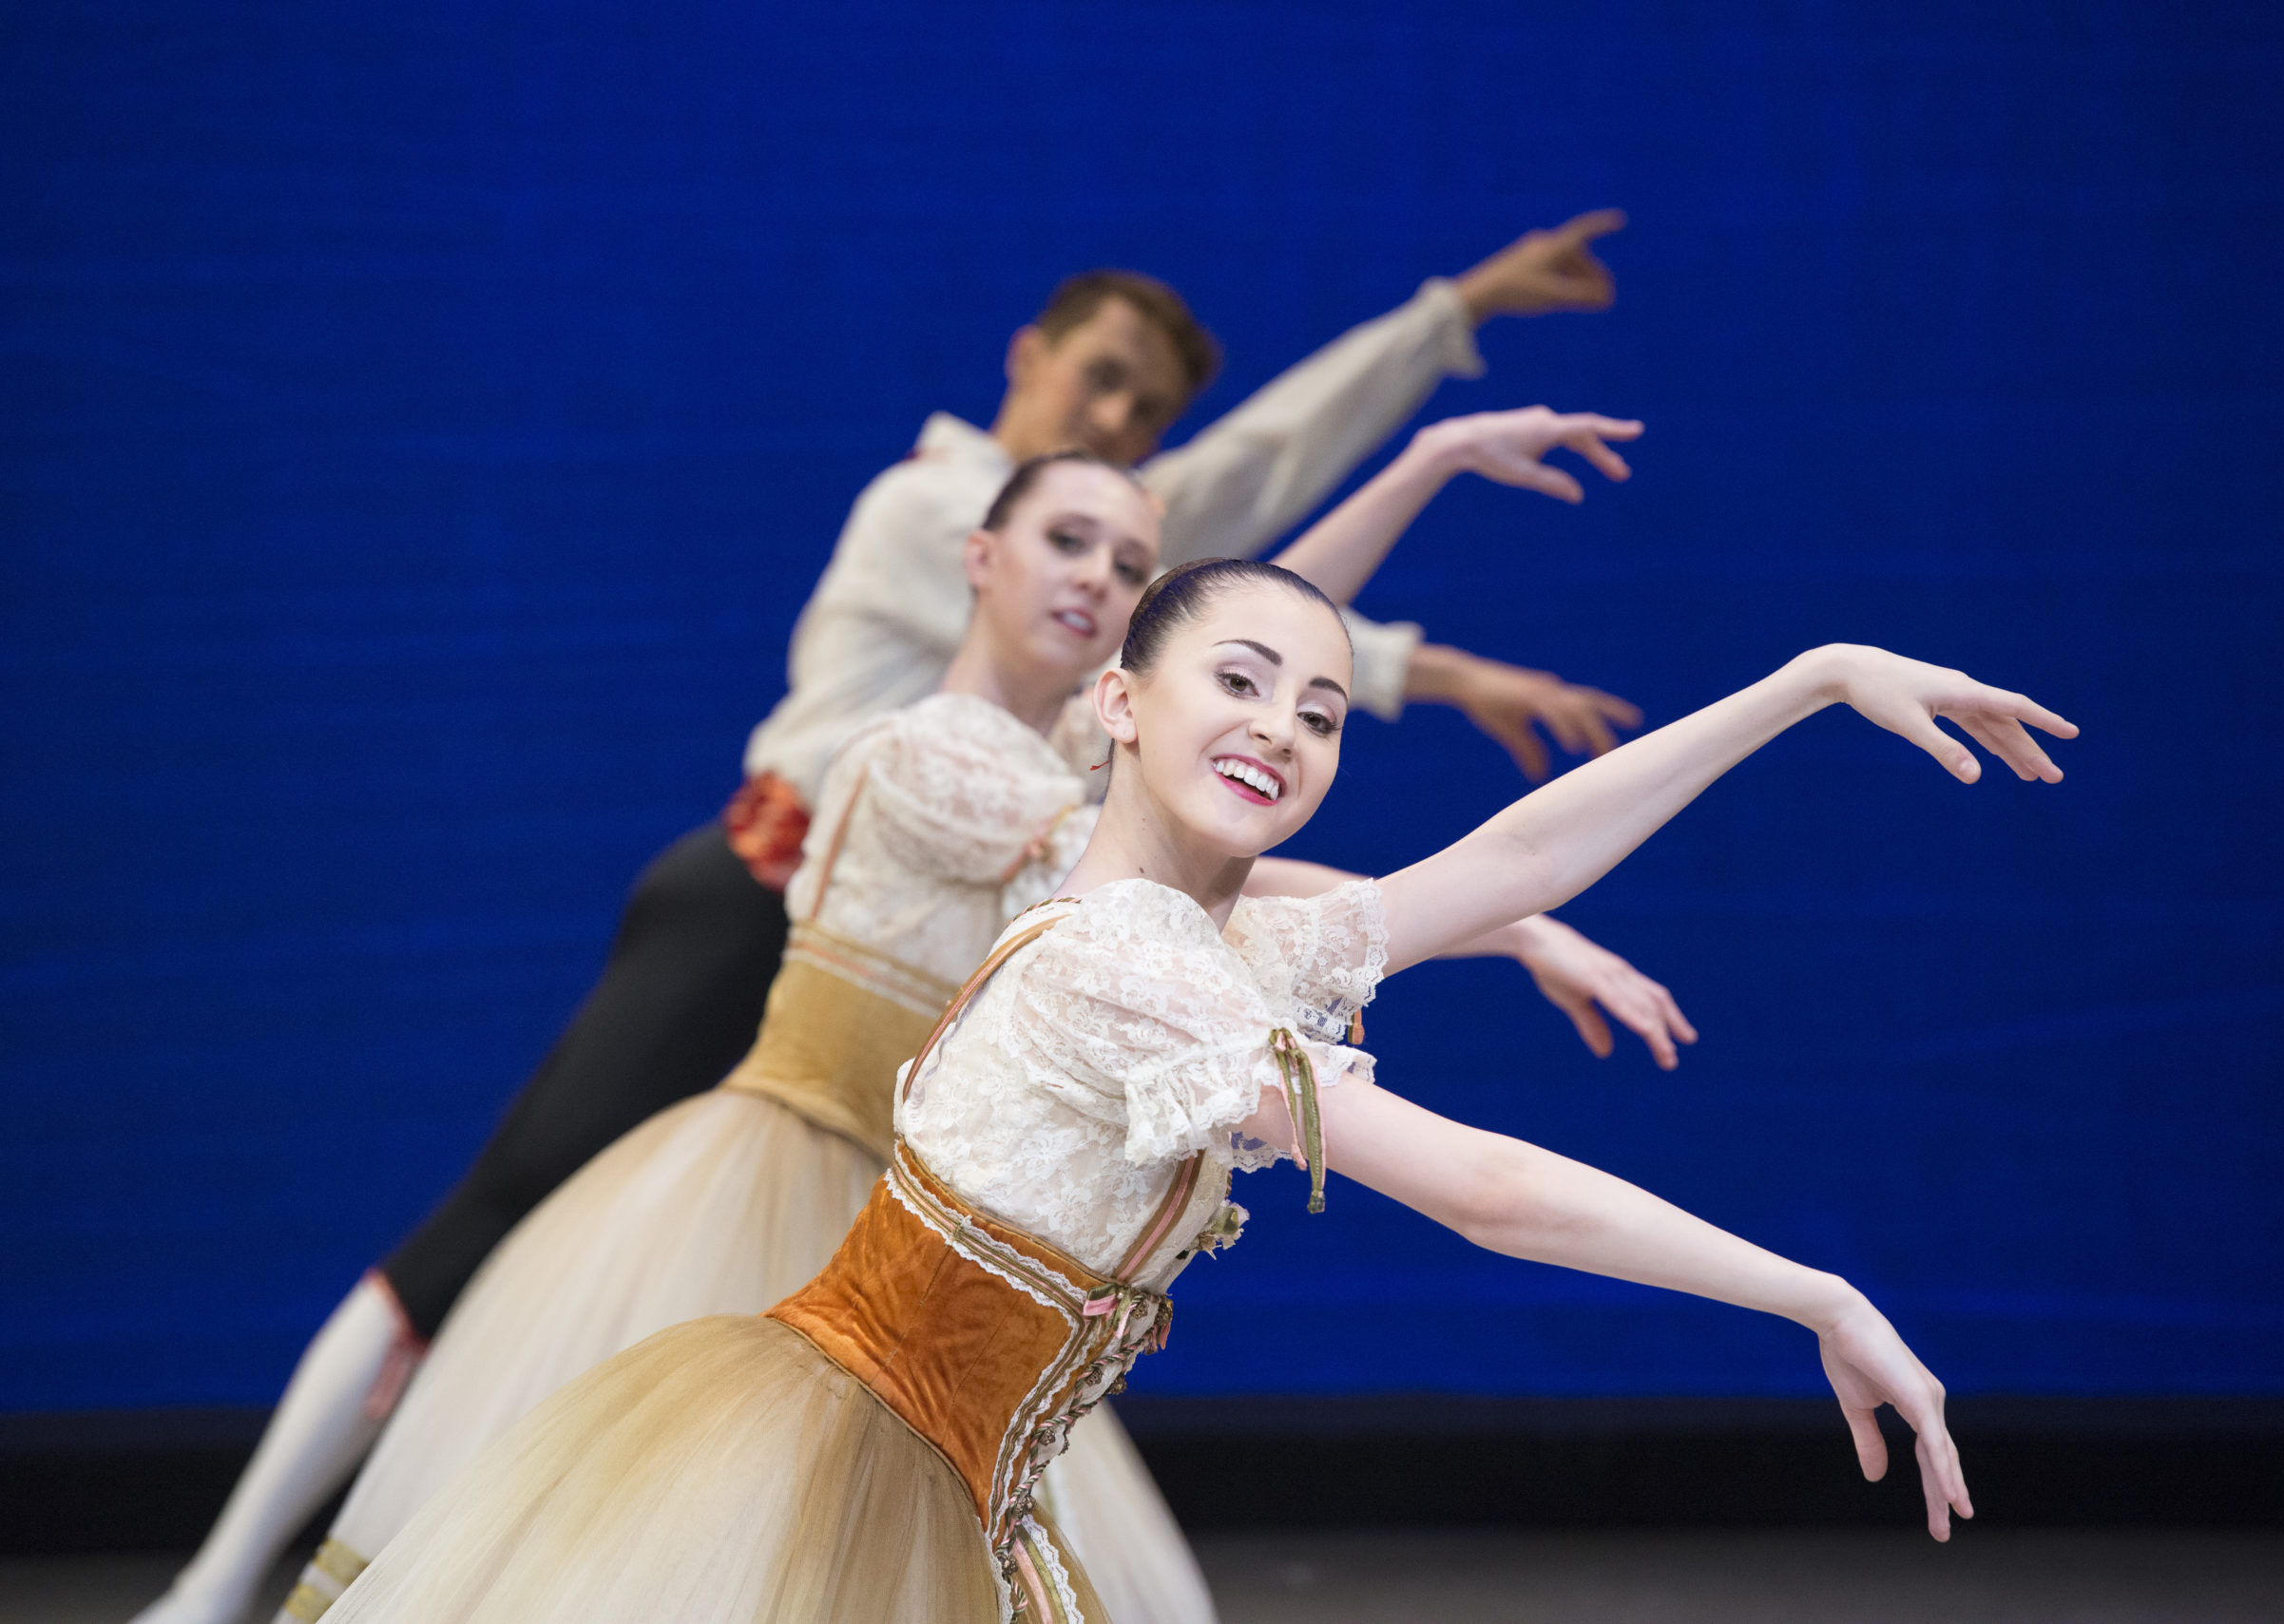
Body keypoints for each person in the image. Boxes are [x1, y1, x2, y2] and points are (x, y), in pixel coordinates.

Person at [130, 211, 1650, 1624]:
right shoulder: (939, 508)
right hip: (761, 916)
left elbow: (1228, 620)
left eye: (1143, 427)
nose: (1117, 439)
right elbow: (1227, 539)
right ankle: (221, 1575)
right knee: (488, 1249)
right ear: (1027, 371)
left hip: (930, 1028)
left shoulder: (1089, 674)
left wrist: (1428, 652)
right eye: (1098, 385)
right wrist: (1443, 343)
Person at [315, 558, 2072, 1624]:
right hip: (842, 1474)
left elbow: (1524, 847)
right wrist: (1811, 1289)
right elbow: (1484, 1188)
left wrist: (1809, 680)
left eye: (1322, 711)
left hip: (968, 1496)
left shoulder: (1210, 951)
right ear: (1118, 703)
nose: (1284, 732)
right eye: (1239, 683)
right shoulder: (1123, 967)